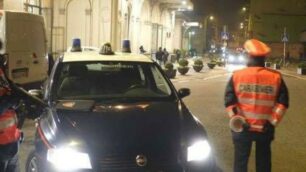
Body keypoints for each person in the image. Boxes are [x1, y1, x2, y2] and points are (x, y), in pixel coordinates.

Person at [224, 39, 289, 172]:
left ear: (249, 56)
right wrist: (271, 122)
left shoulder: (237, 76)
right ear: (264, 58)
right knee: (263, 163)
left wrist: (237, 119)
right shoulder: (275, 77)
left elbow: (229, 101)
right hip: (265, 128)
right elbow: (283, 103)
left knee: (240, 164)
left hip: (242, 128)